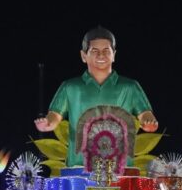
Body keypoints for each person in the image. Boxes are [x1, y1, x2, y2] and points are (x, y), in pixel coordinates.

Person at [34, 27, 159, 168]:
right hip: (79, 166)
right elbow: (55, 115)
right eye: (95, 51)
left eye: (106, 51)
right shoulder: (70, 87)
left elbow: (144, 113)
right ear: (83, 55)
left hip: (120, 168)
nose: (101, 55)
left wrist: (148, 121)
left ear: (114, 55)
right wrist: (48, 123)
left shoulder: (129, 87)